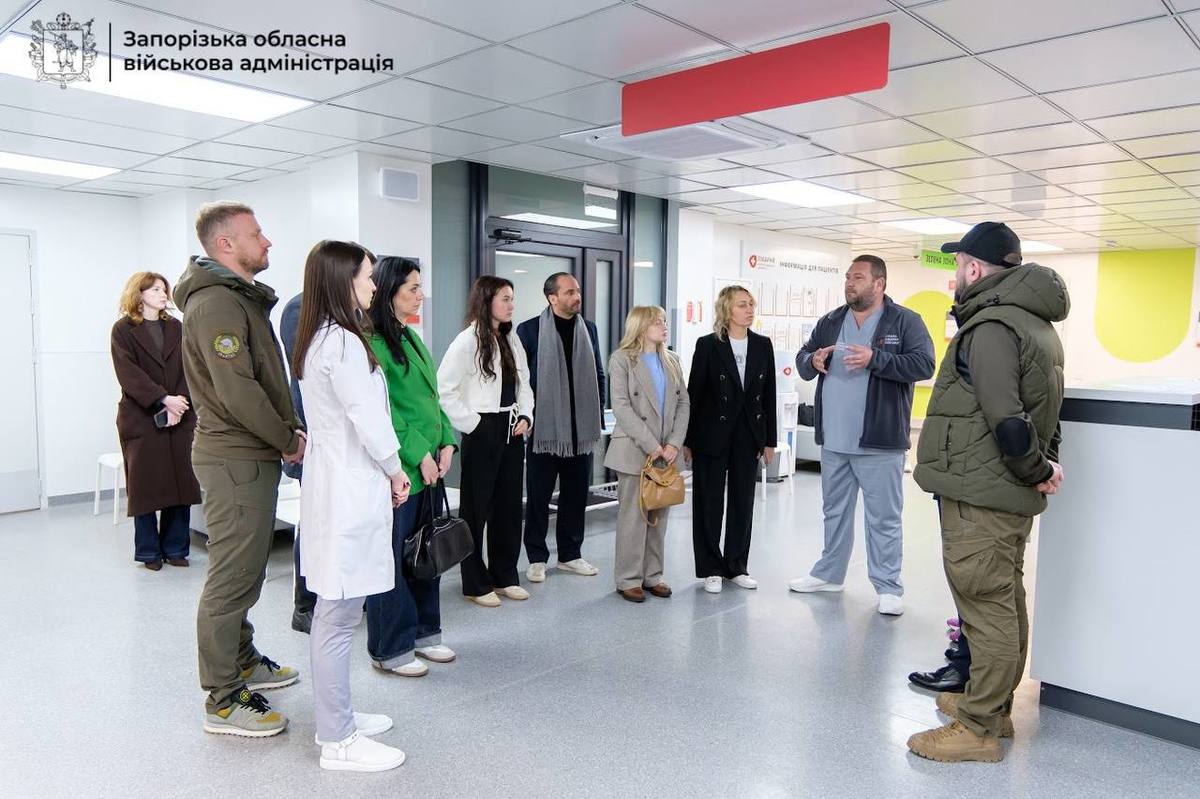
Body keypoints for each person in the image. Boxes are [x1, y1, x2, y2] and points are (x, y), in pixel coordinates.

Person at [906, 221, 1069, 763]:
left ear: (974, 269)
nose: (955, 275)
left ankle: (978, 728)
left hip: (984, 494)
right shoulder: (1035, 325)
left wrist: (1035, 467)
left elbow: (1010, 422)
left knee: (985, 603)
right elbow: (1045, 413)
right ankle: (991, 707)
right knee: (1002, 599)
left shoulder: (993, 327)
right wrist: (1045, 466)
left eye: (958, 265)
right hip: (1000, 491)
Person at [176, 201, 304, 737]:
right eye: (257, 234)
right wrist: (287, 438)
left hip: (249, 454)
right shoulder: (216, 304)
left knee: (247, 570)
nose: (267, 241)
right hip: (235, 457)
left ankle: (244, 659)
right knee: (231, 577)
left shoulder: (237, 298)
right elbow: (238, 390)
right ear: (225, 244)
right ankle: (224, 698)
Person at [293, 240, 411, 772]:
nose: (373, 284)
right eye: (367, 276)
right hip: (349, 488)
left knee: (336, 611)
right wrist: (395, 469)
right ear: (343, 281)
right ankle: (338, 740)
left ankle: (336, 717)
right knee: (339, 615)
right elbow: (368, 418)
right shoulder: (340, 342)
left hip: (335, 484)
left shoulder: (321, 337)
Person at [788, 255, 935, 616]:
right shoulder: (831, 321)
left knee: (883, 517)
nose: (849, 283)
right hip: (835, 440)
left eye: (858, 277)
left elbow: (924, 364)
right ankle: (829, 574)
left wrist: (876, 359)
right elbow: (804, 358)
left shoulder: (905, 321)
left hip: (879, 442)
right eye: (847, 277)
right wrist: (812, 361)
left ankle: (888, 586)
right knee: (834, 512)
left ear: (879, 284)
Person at [365, 257, 458, 676]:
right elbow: (385, 413)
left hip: (429, 467)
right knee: (393, 562)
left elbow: (432, 401)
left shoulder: (409, 336)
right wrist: (420, 453)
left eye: (420, 287)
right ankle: (391, 647)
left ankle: (425, 633)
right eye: (413, 288)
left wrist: (448, 442)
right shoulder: (374, 342)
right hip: (402, 469)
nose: (421, 295)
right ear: (389, 292)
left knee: (426, 553)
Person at [437, 276, 534, 607]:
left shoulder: (510, 337)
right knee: (476, 510)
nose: (511, 305)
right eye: (505, 298)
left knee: (509, 507)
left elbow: (524, 383)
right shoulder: (466, 341)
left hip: (512, 427)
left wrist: (526, 415)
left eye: (512, 298)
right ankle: (475, 583)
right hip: (482, 429)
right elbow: (444, 391)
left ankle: (504, 576)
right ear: (486, 300)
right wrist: (475, 425)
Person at [683, 285, 777, 594]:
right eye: (742, 305)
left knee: (742, 502)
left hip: (748, 434)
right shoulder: (708, 345)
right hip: (711, 433)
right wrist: (687, 439)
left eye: (751, 304)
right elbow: (694, 394)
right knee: (709, 502)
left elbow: (769, 395)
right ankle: (710, 567)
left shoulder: (763, 345)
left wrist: (769, 441)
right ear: (727, 310)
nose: (749, 310)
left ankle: (736, 566)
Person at [516, 272, 605, 582]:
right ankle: (537, 558)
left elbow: (598, 374)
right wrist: (527, 417)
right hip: (544, 431)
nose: (576, 296)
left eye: (577, 290)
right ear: (552, 298)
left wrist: (596, 414)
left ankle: (570, 554)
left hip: (581, 431)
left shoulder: (588, 329)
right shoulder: (529, 330)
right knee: (538, 498)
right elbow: (521, 381)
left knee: (576, 496)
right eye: (569, 292)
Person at [110, 271, 202, 570]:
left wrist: (180, 403)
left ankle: (176, 548)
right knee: (145, 486)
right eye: (155, 290)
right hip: (142, 417)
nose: (163, 294)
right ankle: (149, 552)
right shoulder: (123, 330)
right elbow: (128, 374)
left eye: (164, 289)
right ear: (139, 294)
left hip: (180, 415)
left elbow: (191, 366)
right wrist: (164, 399)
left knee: (180, 483)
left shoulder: (177, 327)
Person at [604, 306, 689, 603]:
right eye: (657, 322)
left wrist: (674, 444)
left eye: (664, 321)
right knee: (634, 516)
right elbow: (621, 406)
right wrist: (653, 445)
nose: (664, 326)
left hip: (666, 451)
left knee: (659, 514)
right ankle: (628, 578)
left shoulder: (672, 360)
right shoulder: (622, 359)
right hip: (635, 448)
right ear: (640, 326)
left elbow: (683, 404)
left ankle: (653, 575)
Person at [279, 291, 318, 634]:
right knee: (315, 523)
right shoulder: (300, 308)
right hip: (314, 436)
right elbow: (306, 373)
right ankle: (305, 605)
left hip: (341, 443)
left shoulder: (350, 309)